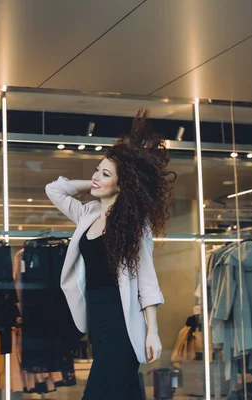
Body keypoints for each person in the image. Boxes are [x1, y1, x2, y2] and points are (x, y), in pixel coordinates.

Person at [45, 109, 175, 399]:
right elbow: (55, 190)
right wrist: (94, 184)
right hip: (98, 319)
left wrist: (152, 331)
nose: (96, 177)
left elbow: (147, 282)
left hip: (122, 320)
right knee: (122, 391)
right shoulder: (87, 214)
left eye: (105, 174)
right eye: (96, 170)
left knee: (100, 392)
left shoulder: (134, 226)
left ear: (122, 184)